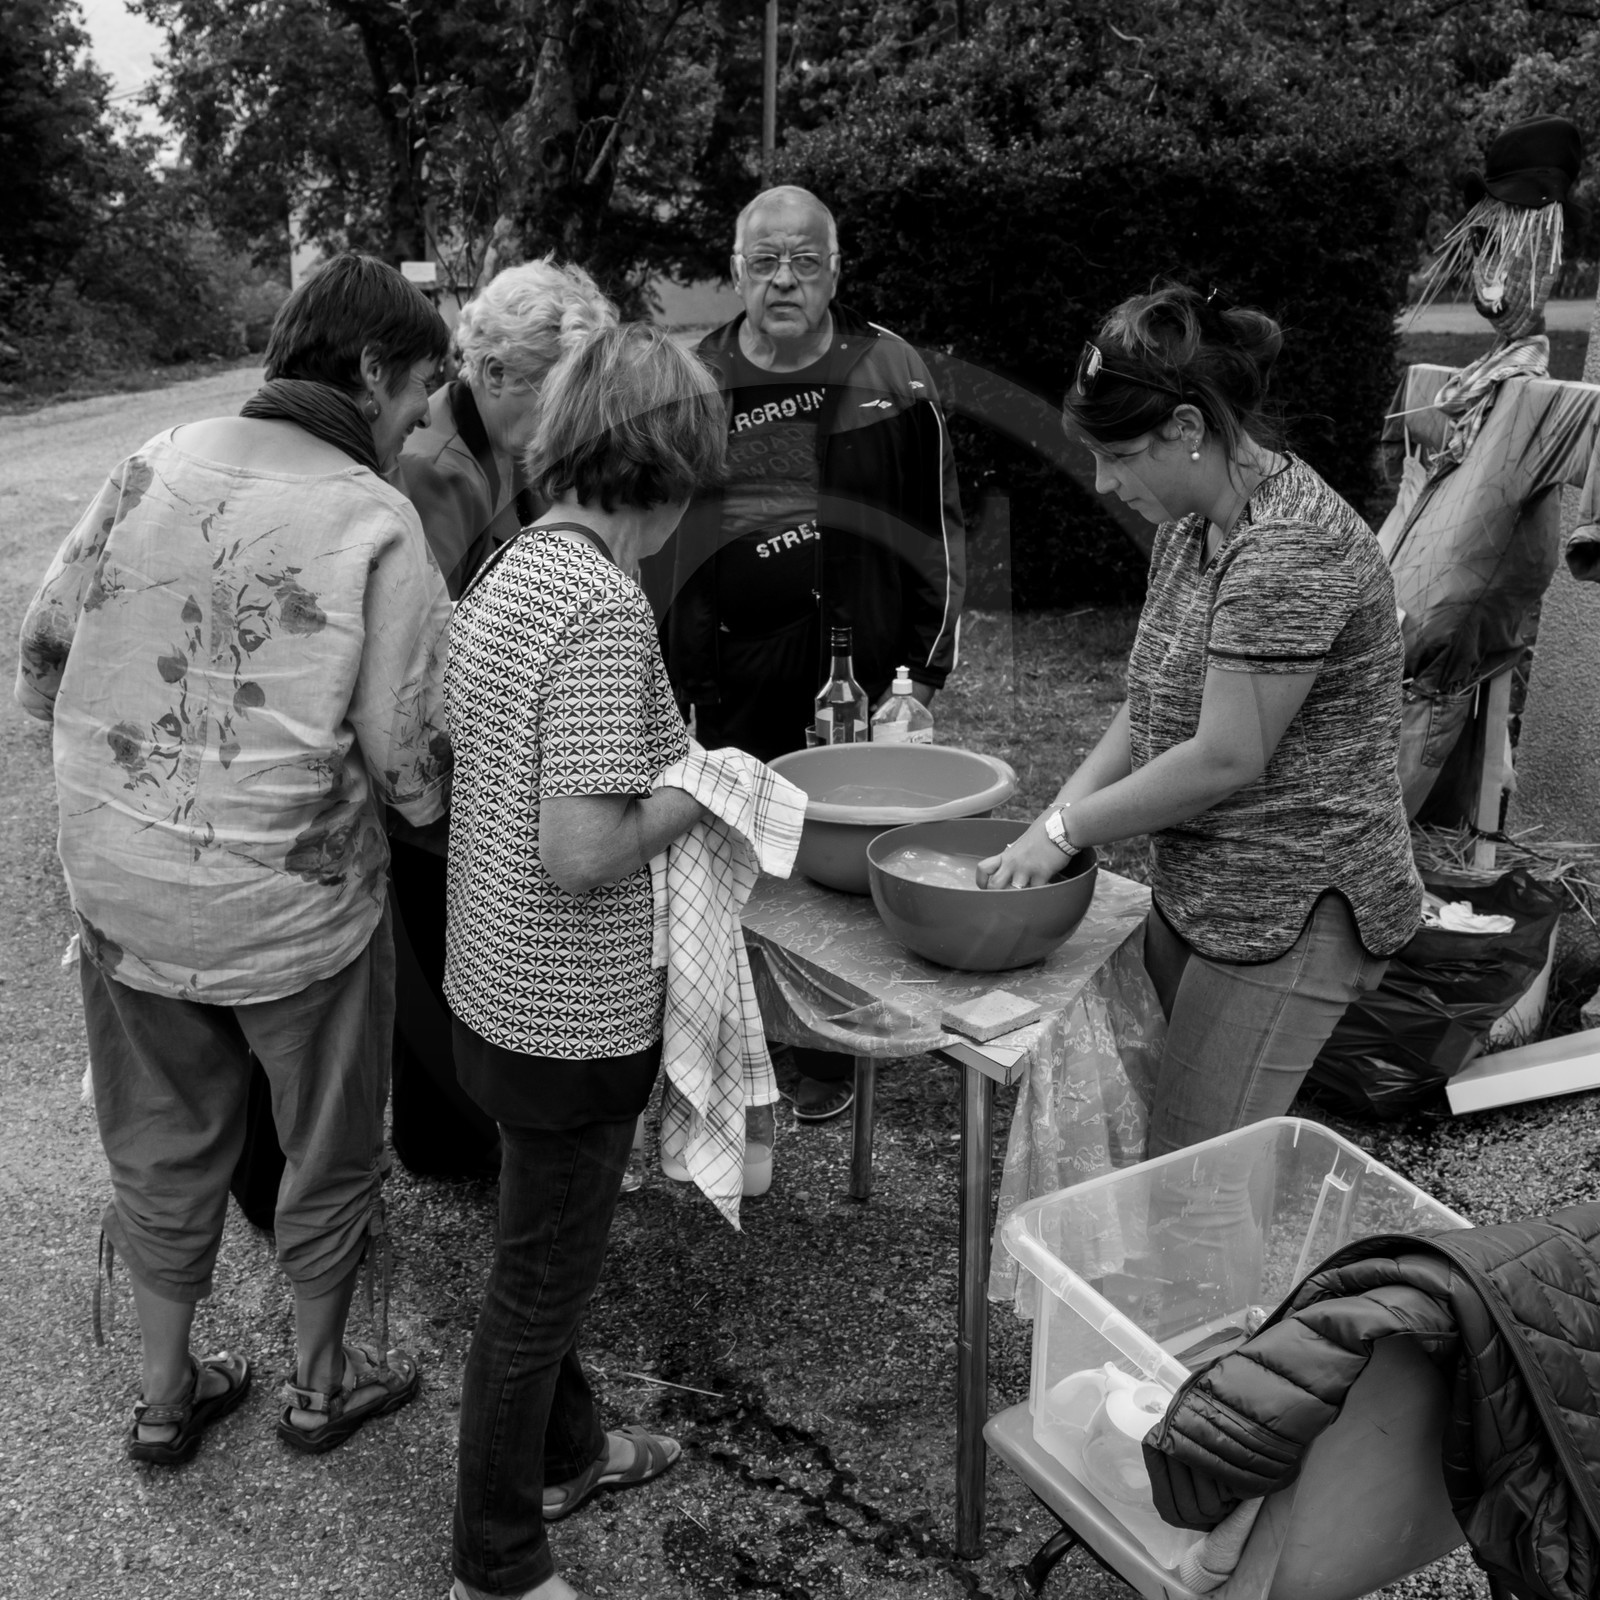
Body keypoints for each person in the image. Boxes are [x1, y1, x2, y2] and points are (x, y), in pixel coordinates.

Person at [13, 253, 453, 1462]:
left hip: (120, 890)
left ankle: (166, 1396)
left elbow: (42, 664)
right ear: (369, 371)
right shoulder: (376, 517)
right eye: (422, 385)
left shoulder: (151, 458)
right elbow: (410, 765)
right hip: (290, 910)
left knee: (159, 1133)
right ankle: (321, 1385)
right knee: (328, 1138)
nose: (425, 415)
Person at [979, 283, 1422, 1159]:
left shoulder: (1289, 549)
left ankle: (1227, 1304)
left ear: (1188, 429)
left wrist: (1065, 828)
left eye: (1117, 455)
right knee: (1166, 1160)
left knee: (1193, 1183)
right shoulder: (1194, 529)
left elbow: (1225, 756)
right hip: (1205, 892)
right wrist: (1051, 825)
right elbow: (1150, 700)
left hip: (1292, 910)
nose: (1103, 481)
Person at [444, 321, 726, 1600]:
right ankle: (497, 1562)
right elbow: (582, 850)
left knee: (529, 1255)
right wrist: (705, 789)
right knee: (533, 1296)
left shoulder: (512, 567)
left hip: (487, 988)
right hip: (569, 1012)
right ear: (666, 469)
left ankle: (574, 1451)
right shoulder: (607, 605)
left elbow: (455, 736)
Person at [646, 183, 966, 1121]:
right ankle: (734, 1040)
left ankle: (827, 1050)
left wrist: (926, 672)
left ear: (836, 269)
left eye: (805, 260)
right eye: (764, 261)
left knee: (832, 862)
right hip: (724, 663)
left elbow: (936, 528)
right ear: (736, 270)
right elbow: (658, 536)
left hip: (849, 668)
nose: (784, 279)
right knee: (727, 859)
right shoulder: (694, 376)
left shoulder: (890, 370)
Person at [387, 259, 618, 1182]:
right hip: (426, 771)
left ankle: (465, 1133)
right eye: (557, 394)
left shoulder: (506, 441)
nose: (570, 418)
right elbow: (431, 652)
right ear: (493, 372)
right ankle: (448, 1144)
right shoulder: (430, 466)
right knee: (434, 947)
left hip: (473, 751)